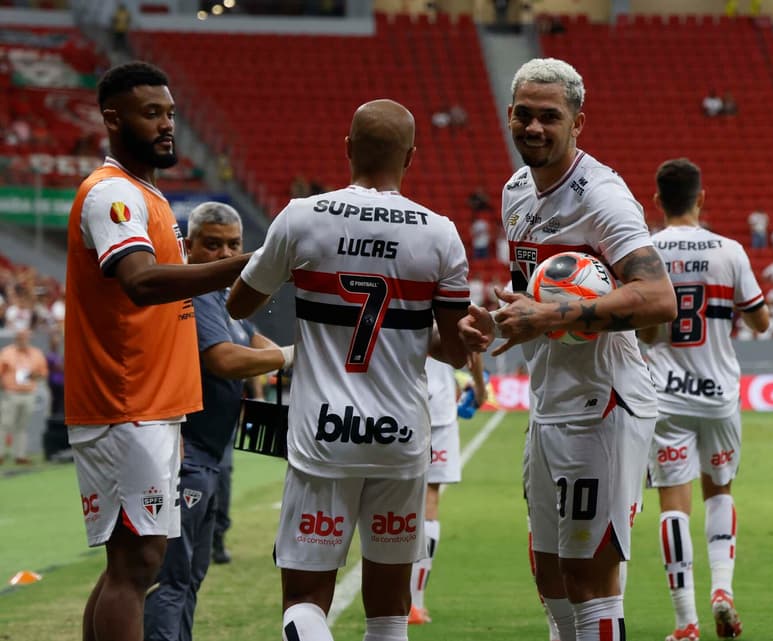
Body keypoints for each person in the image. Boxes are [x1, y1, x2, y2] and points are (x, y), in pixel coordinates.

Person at [226, 99, 471, 641]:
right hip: (402, 439)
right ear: (411, 156)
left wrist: (286, 264)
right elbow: (456, 352)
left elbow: (240, 305)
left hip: (322, 436)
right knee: (388, 612)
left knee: (304, 602)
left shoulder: (301, 216)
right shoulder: (441, 234)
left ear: (347, 148)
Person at [459, 58, 677, 641]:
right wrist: (504, 321)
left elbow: (659, 298)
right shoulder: (515, 191)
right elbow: (538, 294)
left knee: (589, 582)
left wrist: (552, 315)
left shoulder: (601, 198)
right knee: (550, 573)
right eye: (524, 115)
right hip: (550, 400)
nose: (534, 127)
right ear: (508, 115)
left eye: (550, 117)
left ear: (578, 122)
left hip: (602, 404)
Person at [64, 61, 249, 641]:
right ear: (113, 119)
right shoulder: (114, 194)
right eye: (152, 114)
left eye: (170, 113)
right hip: (125, 398)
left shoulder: (147, 193)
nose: (168, 125)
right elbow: (141, 282)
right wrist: (253, 262)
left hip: (151, 402)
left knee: (133, 562)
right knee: (137, 564)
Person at [144, 202, 292, 641]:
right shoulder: (193, 293)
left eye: (233, 245)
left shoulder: (223, 297)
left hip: (207, 453)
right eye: (212, 245)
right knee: (169, 578)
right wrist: (289, 357)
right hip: (183, 453)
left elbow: (249, 338)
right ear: (188, 247)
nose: (224, 254)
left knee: (190, 574)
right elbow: (224, 359)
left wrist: (286, 355)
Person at [638, 158, 770, 641]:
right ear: (701, 198)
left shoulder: (646, 252)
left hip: (666, 397)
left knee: (674, 503)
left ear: (657, 201)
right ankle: (723, 591)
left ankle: (685, 621)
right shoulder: (730, 251)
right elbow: (760, 322)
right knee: (719, 489)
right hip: (718, 395)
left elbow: (646, 331)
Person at [408, 353, 486, 625]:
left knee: (394, 499)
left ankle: (401, 601)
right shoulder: (457, 311)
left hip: (399, 404)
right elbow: (471, 355)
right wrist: (478, 386)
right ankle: (414, 603)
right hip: (437, 411)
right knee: (429, 500)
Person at [0, 328, 48, 465]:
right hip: (11, 393)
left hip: (28, 393)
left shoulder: (36, 354)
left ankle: (19, 455)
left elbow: (43, 373)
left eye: (25, 337)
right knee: (5, 424)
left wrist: (35, 376)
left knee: (22, 425)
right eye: (20, 336)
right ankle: (1, 453)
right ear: (16, 338)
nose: (22, 339)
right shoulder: (7, 353)